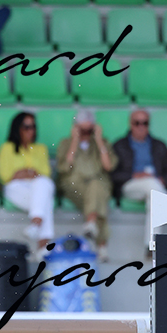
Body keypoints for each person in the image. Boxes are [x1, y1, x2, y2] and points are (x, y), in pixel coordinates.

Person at [56, 108, 118, 260]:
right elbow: (65, 168)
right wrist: (75, 141)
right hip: (75, 185)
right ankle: (101, 246)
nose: (85, 134)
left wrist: (99, 140)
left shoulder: (102, 143)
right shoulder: (66, 143)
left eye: (88, 130)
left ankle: (91, 222)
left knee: (96, 187)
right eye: (82, 130)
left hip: (97, 183)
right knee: (98, 197)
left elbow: (108, 166)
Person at [111, 109, 167, 248]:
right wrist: (133, 175)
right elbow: (112, 175)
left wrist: (163, 180)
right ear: (130, 124)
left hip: (155, 187)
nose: (141, 126)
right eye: (137, 123)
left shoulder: (159, 145)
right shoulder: (119, 145)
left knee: (154, 199)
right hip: (129, 185)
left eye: (144, 123)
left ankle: (150, 245)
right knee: (153, 186)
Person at [0, 111, 55, 253]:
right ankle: (43, 248)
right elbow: (5, 176)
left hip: (36, 186)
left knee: (43, 184)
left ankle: (36, 223)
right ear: (18, 128)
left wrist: (21, 173)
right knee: (45, 199)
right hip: (16, 188)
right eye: (27, 127)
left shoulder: (41, 148)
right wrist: (30, 172)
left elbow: (46, 173)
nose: (31, 131)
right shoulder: (7, 147)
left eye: (33, 127)